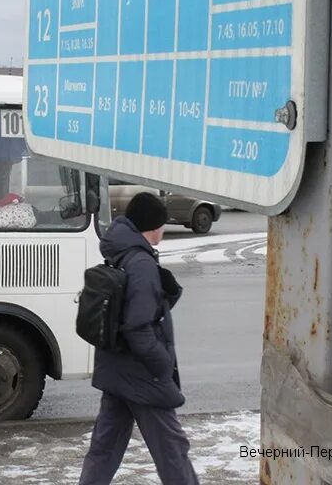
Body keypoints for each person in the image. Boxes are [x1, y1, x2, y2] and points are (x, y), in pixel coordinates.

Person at [80, 192, 199, 485]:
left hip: (117, 367)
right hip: (141, 374)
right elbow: (137, 326)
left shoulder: (120, 252)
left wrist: (168, 293)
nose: (163, 229)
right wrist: (161, 365)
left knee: (104, 450)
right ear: (152, 226)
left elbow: (129, 310)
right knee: (173, 450)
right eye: (161, 223)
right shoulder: (141, 263)